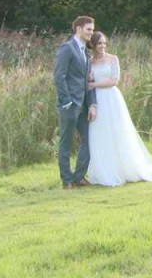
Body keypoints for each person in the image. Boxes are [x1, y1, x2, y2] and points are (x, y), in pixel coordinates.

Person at [85, 31, 152, 186]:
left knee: (118, 131)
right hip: (97, 100)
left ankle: (125, 168)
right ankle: (104, 170)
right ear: (93, 45)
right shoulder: (90, 63)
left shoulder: (113, 59)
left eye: (104, 43)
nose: (102, 46)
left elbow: (115, 80)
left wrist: (94, 84)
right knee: (100, 133)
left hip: (111, 98)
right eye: (99, 43)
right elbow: (88, 79)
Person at [54, 15, 97, 189]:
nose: (91, 33)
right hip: (69, 105)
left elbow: (87, 81)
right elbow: (59, 76)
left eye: (93, 30)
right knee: (66, 142)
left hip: (84, 105)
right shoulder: (67, 48)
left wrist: (92, 104)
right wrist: (66, 102)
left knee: (88, 140)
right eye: (89, 29)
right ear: (78, 29)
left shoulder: (85, 53)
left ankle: (79, 177)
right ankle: (66, 180)